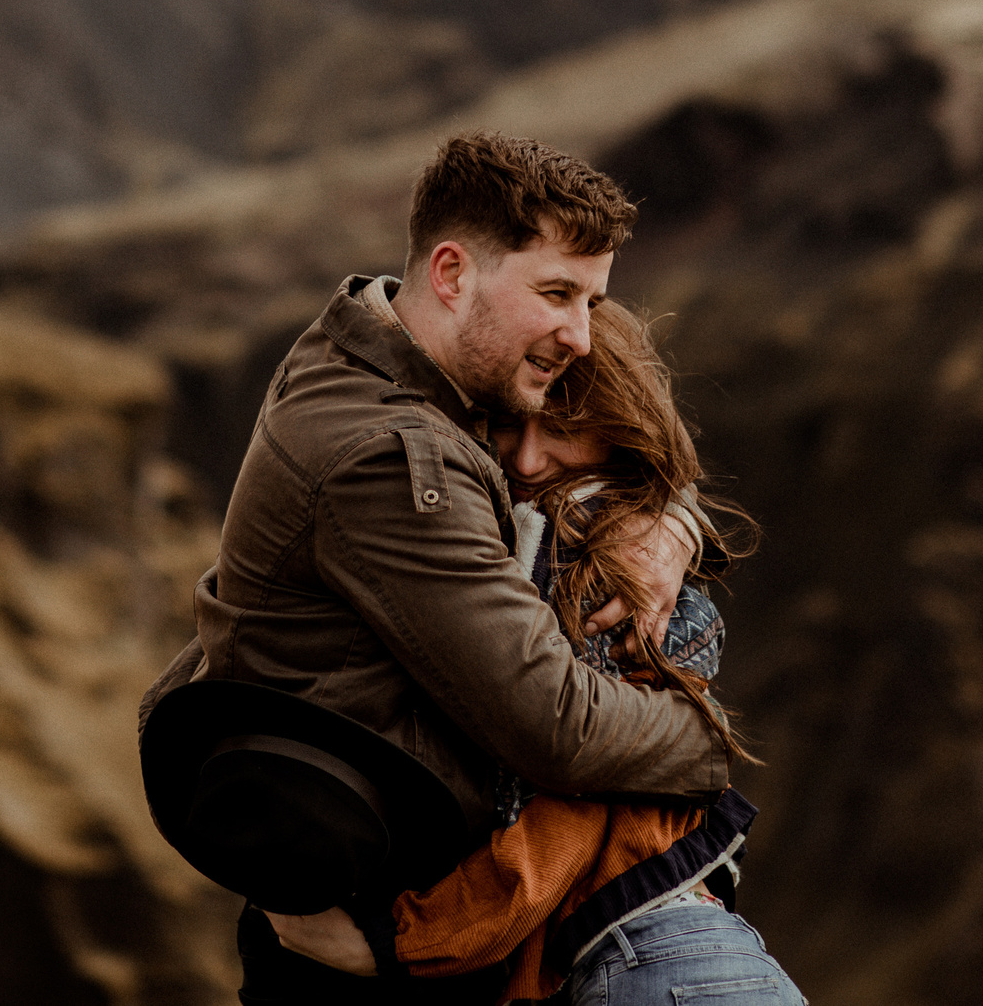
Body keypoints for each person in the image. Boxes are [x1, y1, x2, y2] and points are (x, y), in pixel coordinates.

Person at [138, 132, 730, 1001]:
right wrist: (705, 743)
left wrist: (672, 519)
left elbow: (595, 478)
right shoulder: (392, 454)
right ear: (451, 273)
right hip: (370, 950)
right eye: (557, 293)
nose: (579, 333)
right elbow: (557, 725)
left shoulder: (371, 356)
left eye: (591, 300)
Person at [264, 302, 807, 1004]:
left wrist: (401, 939)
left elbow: (567, 814)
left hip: (660, 963)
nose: (526, 459)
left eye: (565, 428)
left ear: (621, 427)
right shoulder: (568, 527)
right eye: (507, 424)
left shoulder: (596, 567)